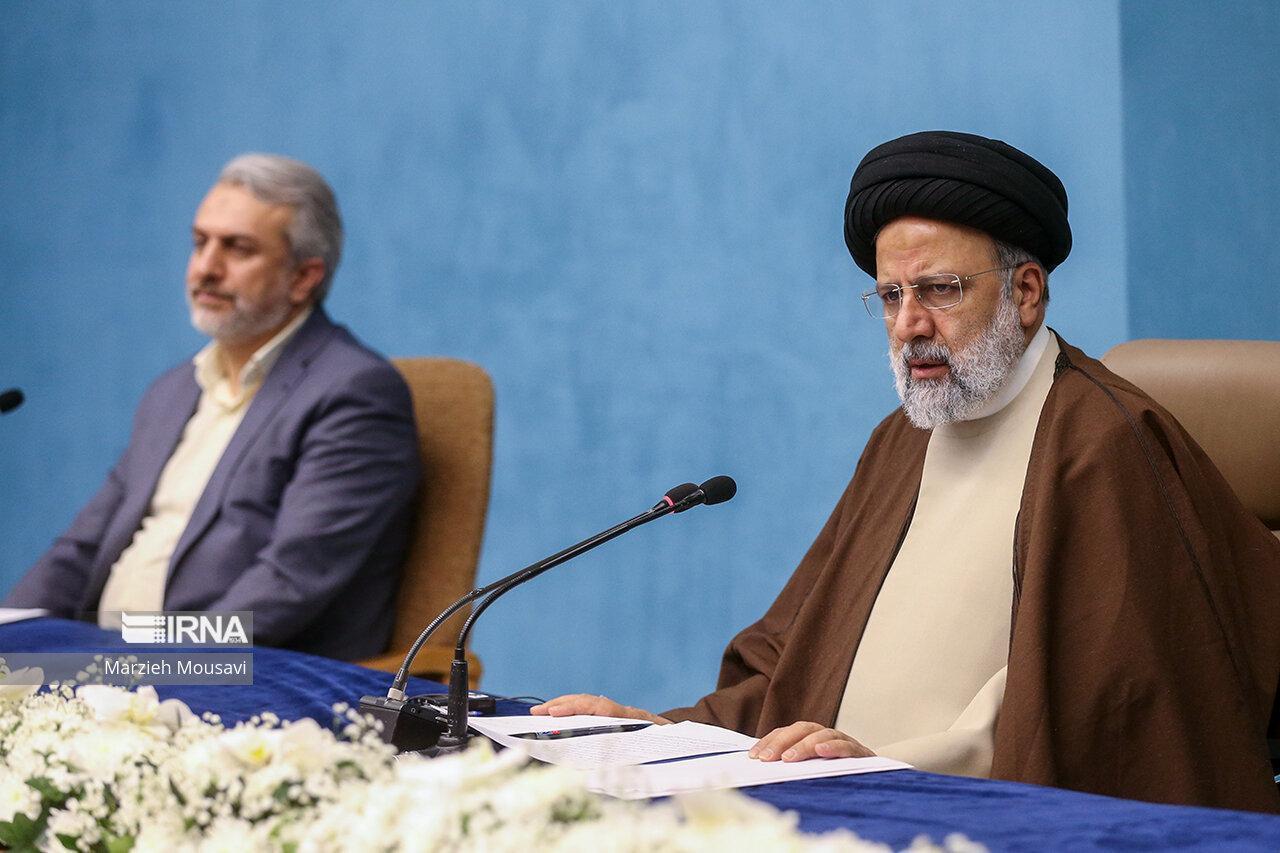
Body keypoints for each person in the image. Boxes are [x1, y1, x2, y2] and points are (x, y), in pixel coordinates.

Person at [532, 131, 1280, 812]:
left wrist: (889, 765)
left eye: (940, 290)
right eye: (891, 296)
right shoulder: (902, 439)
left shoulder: (1103, 441)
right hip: (836, 799)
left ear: (1025, 292)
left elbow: (1102, 706)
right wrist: (664, 732)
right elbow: (794, 655)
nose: (909, 325)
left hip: (962, 816)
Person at [3, 154, 420, 661]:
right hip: (115, 665)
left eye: (238, 249)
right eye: (200, 243)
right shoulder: (173, 391)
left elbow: (289, 583)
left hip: (243, 673)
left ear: (304, 277)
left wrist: (125, 654)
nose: (206, 268)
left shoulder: (354, 392)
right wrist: (10, 636)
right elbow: (81, 550)